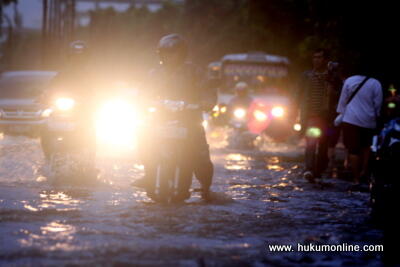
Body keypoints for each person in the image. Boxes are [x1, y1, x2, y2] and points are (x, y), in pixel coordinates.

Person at [136, 34, 216, 200]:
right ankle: (149, 172)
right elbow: (142, 94)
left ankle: (205, 186)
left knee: (200, 153)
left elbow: (208, 93)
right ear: (160, 54)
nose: (170, 57)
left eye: (174, 53)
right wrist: (145, 103)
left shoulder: (195, 72)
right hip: (159, 119)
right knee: (142, 137)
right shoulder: (154, 74)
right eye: (166, 53)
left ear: (182, 54)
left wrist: (202, 104)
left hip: (189, 120)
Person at [39, 40, 96, 161]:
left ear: (86, 56)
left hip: (84, 108)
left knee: (90, 126)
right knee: (46, 127)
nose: (78, 58)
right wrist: (44, 95)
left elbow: (100, 89)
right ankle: (48, 157)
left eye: (81, 55)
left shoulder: (92, 73)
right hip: (63, 107)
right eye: (74, 55)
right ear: (70, 56)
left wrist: (96, 98)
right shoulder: (63, 73)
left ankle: (89, 157)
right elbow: (52, 85)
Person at [298, 49, 341, 181]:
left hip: (327, 118)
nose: (316, 60)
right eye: (314, 57)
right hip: (311, 117)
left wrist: (331, 80)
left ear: (325, 60)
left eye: (319, 57)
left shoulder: (333, 77)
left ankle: (319, 169)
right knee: (311, 142)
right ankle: (309, 169)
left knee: (323, 144)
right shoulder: (306, 75)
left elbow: (340, 94)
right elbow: (298, 94)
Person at [336, 63, 383, 188]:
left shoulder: (349, 81)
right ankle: (364, 172)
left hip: (350, 120)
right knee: (366, 147)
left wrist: (341, 114)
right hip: (368, 120)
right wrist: (376, 116)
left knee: (353, 149)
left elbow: (342, 102)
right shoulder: (375, 83)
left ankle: (356, 178)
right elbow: (378, 104)